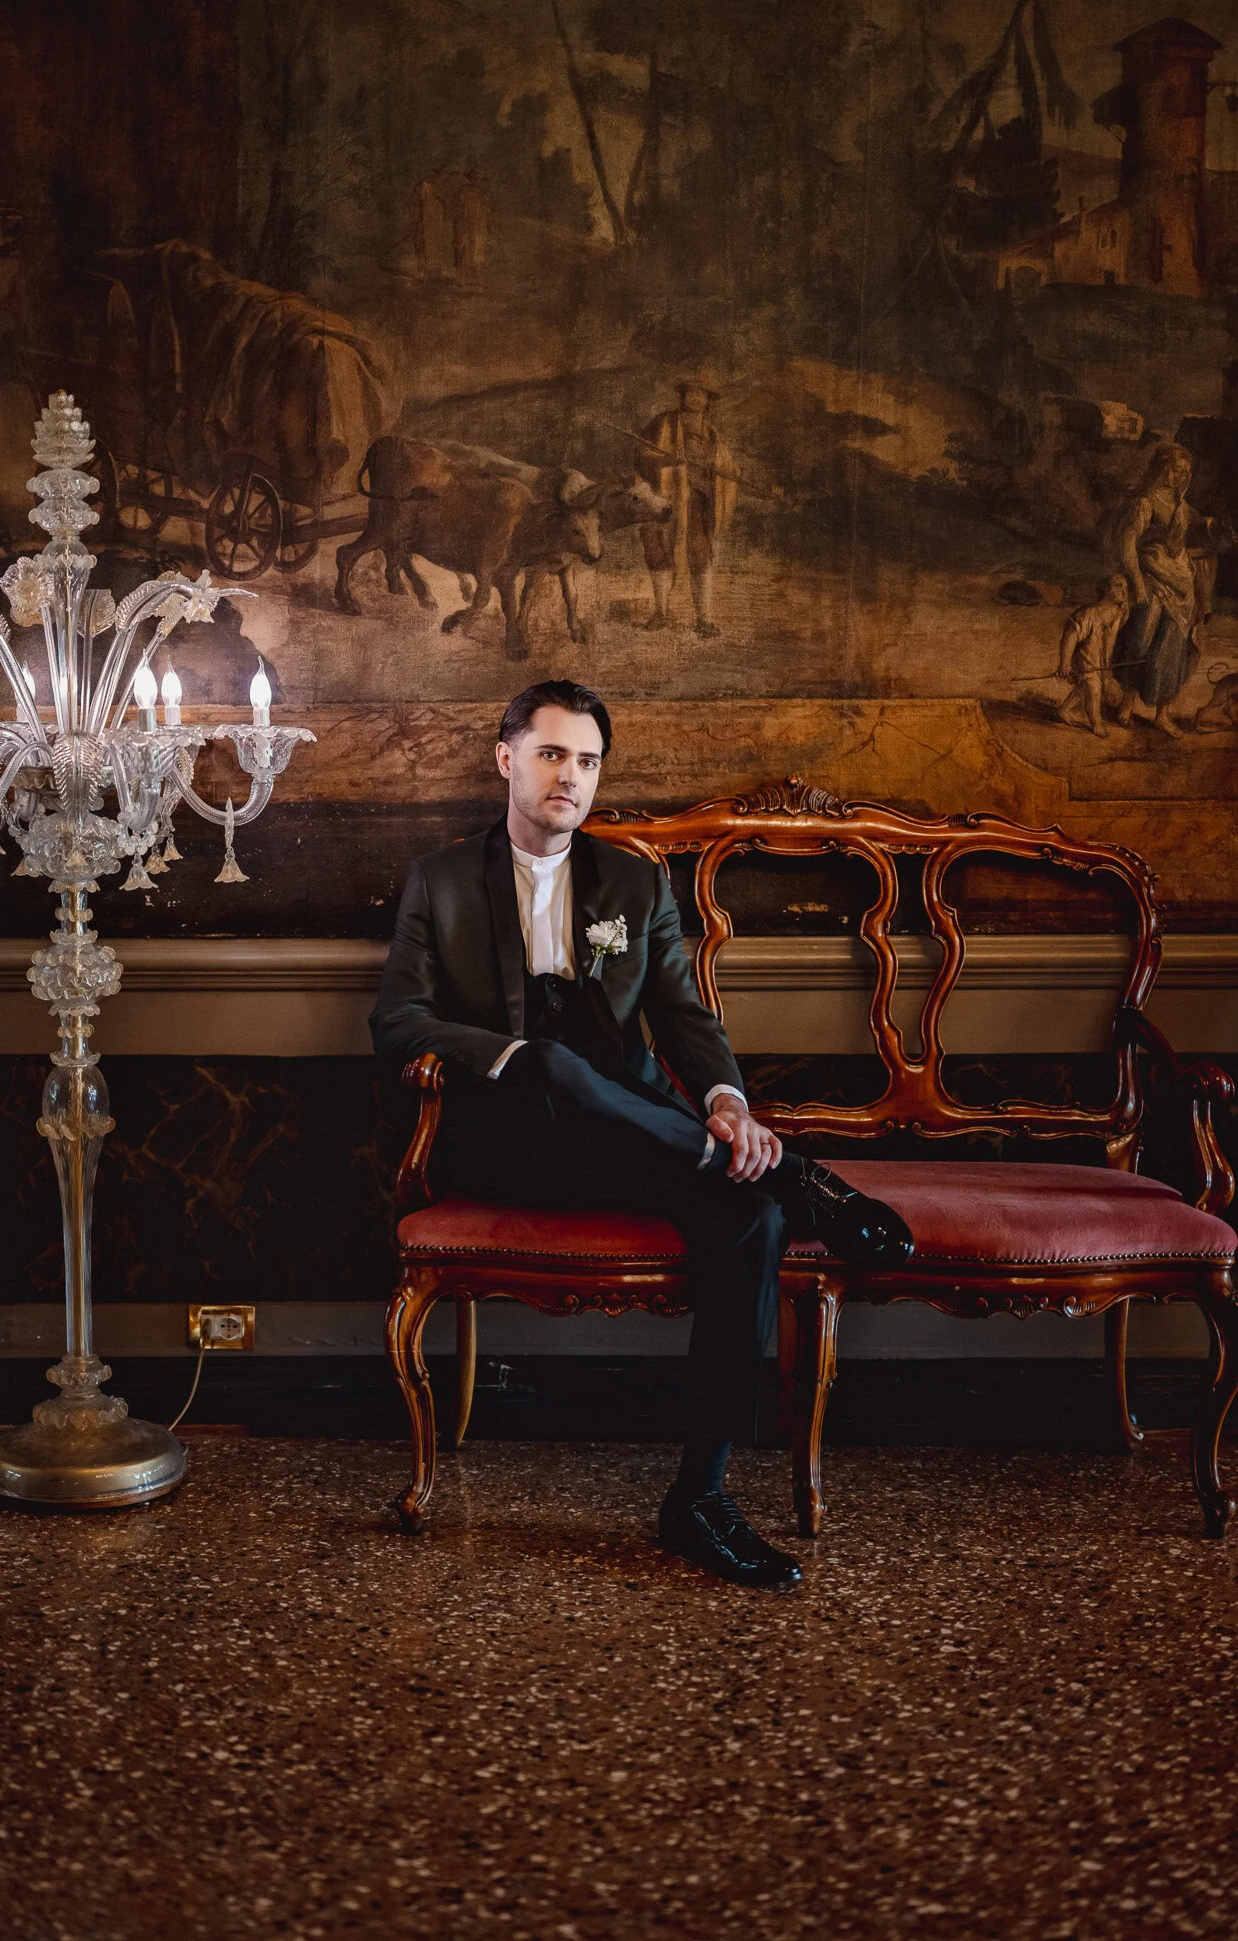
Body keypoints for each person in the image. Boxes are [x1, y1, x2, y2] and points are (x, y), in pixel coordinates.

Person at [371, 679, 914, 1589]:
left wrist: (728, 1105)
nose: (570, 777)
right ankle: (796, 1176)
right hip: (506, 1146)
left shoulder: (632, 879)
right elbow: (397, 1022)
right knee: (548, 1063)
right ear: (506, 759)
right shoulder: (439, 881)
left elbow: (682, 1014)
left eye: (586, 761)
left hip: (632, 1136)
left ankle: (698, 1498)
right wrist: (508, 1056)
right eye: (551, 754)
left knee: (752, 1223)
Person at [1109, 445, 1215, 737]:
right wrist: (1137, 583)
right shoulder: (1145, 502)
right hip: (1153, 580)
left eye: (1183, 472)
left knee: (1172, 648)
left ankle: (1163, 714)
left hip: (1181, 584)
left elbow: (1188, 536)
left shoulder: (1181, 504)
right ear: (1159, 467)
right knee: (1141, 639)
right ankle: (1128, 699)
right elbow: (1128, 543)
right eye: (1173, 469)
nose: (1177, 476)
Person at [637, 373, 737, 638]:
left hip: (697, 503)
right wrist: (666, 460)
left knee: (700, 557)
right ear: (683, 396)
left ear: (707, 401)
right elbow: (641, 454)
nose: (695, 397)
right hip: (664, 500)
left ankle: (704, 619)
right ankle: (660, 613)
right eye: (691, 392)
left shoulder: (711, 434)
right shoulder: (664, 423)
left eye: (700, 394)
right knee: (659, 553)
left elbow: (726, 468)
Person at [1055, 573, 1130, 737]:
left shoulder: (1119, 615)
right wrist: (1065, 663)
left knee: (1086, 688)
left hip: (1101, 663)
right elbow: (1071, 635)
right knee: (1093, 688)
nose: (1124, 591)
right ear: (1106, 589)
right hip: (1085, 659)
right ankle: (1096, 723)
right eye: (1118, 586)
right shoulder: (1090, 613)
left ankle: (1064, 710)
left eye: (1126, 587)